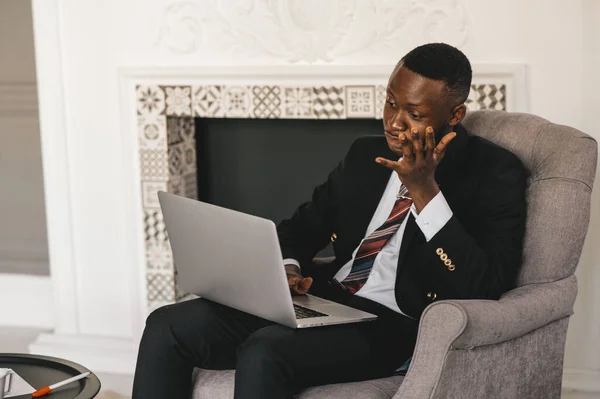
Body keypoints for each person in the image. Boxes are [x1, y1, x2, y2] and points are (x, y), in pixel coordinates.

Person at [132, 43, 527, 399]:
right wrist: (287, 270)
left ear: (455, 115)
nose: (394, 122)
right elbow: (300, 230)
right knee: (167, 325)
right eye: (391, 103)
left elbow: (486, 285)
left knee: (265, 350)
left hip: (394, 327)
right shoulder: (364, 155)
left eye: (414, 113)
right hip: (327, 301)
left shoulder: (493, 173)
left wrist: (425, 191)